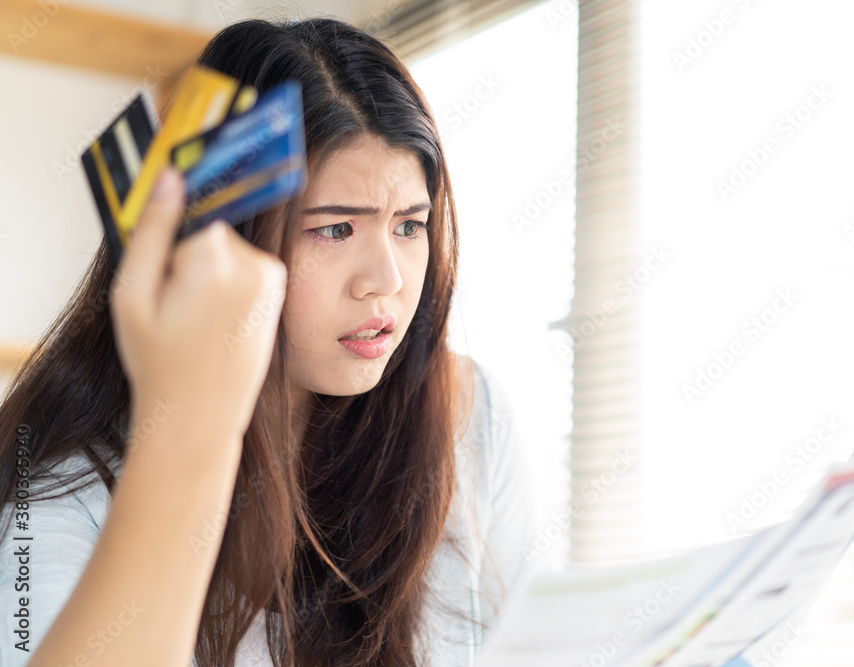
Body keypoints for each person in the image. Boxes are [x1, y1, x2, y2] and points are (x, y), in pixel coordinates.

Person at [0, 16, 538, 667]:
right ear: (224, 238)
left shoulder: (468, 416)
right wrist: (193, 417)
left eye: (409, 226)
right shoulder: (61, 479)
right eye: (336, 230)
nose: (387, 283)